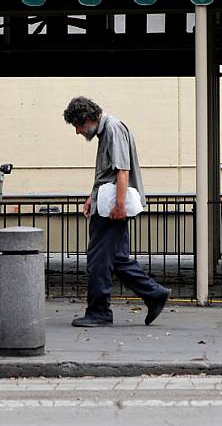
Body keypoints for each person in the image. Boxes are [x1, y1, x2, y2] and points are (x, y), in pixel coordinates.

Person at [63, 96, 170, 327]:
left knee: (98, 259)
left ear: (89, 119)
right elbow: (108, 173)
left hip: (112, 208)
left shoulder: (112, 129)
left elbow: (122, 170)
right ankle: (154, 294)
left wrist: (119, 206)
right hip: (108, 203)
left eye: (78, 126)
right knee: (118, 259)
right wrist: (93, 196)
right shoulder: (107, 131)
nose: (78, 132)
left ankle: (99, 312)